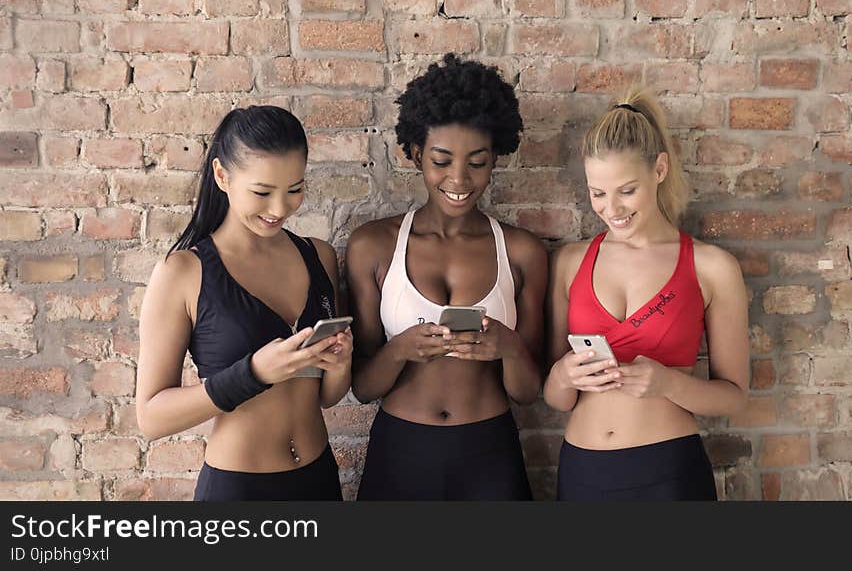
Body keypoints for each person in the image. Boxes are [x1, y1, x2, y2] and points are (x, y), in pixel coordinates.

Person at [346, 54, 547, 500]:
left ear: (496, 157)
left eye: (477, 162)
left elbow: (529, 393)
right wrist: (400, 349)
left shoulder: (521, 251)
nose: (459, 178)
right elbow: (361, 387)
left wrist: (508, 348)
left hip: (489, 450)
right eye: (441, 160)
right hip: (401, 449)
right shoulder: (373, 246)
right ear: (416, 154)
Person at [136, 105, 353, 501]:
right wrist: (253, 373)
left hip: (319, 479)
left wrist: (339, 365)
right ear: (222, 175)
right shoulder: (183, 272)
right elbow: (151, 418)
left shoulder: (318, 256)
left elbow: (326, 396)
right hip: (238, 489)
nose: (279, 209)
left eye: (295, 190)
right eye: (262, 192)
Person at [544, 86, 750, 500]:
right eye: (597, 194)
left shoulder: (712, 267)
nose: (612, 209)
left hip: (668, 472)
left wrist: (668, 383)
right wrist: (563, 374)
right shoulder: (569, 262)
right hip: (582, 472)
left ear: (659, 169)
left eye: (626, 190)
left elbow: (733, 398)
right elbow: (556, 399)